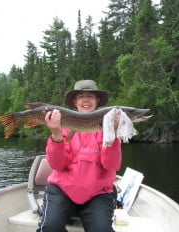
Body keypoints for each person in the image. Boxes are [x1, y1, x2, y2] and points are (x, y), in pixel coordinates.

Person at [36, 80, 122, 232]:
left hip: (98, 194)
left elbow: (111, 165)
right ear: (75, 102)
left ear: (97, 101)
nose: (86, 100)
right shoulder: (63, 126)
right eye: (81, 96)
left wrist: (112, 136)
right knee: (49, 228)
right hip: (62, 191)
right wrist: (56, 134)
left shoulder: (107, 128)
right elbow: (57, 165)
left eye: (91, 96)